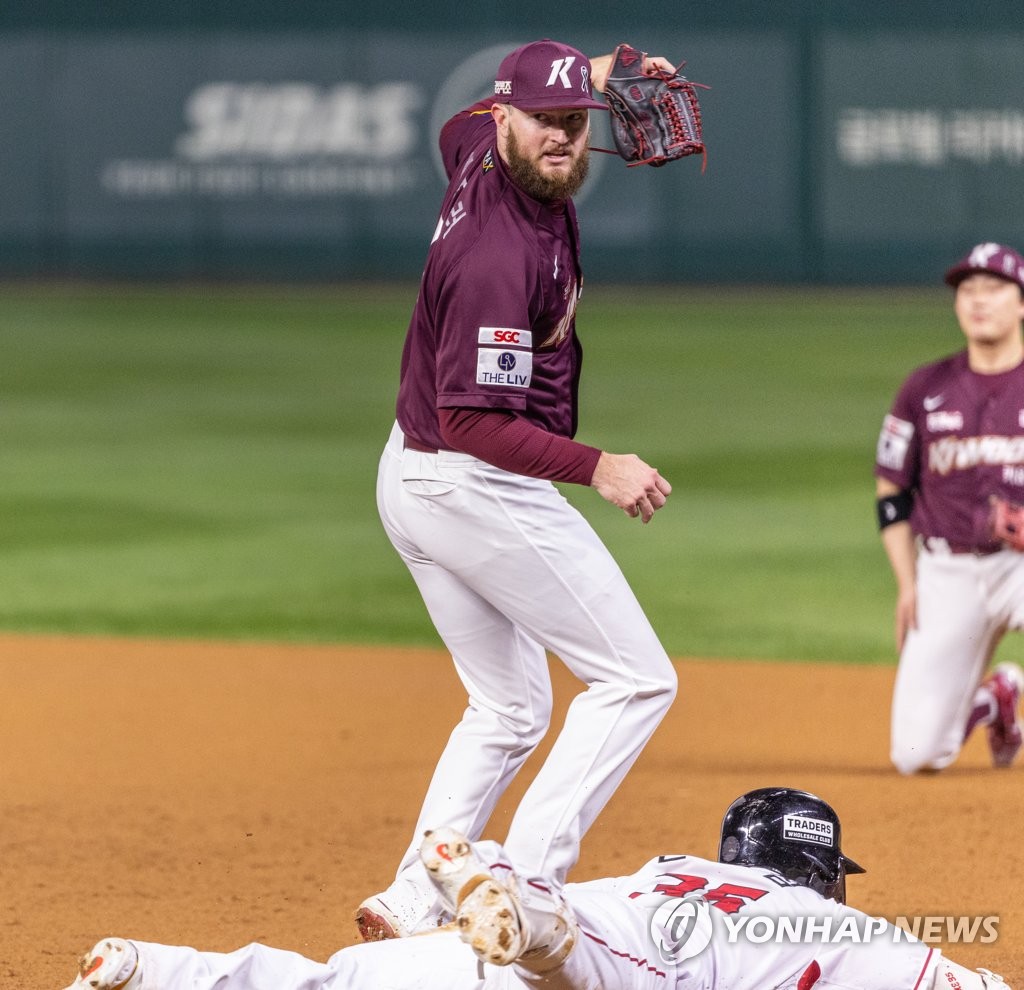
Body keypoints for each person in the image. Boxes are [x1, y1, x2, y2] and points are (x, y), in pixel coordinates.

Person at [364, 39, 681, 938]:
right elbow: (474, 422)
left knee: (510, 706)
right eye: (545, 122)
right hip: (473, 481)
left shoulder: (476, 146)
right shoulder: (495, 255)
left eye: (576, 123)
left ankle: (415, 895)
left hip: (413, 475)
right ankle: (530, 886)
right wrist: (600, 468)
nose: (564, 141)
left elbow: (451, 124)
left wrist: (592, 76)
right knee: (635, 681)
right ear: (505, 118)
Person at [63, 787, 1013, 990]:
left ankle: (146, 968)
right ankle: (522, 911)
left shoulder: (677, 864)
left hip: (527, 946)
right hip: (608, 968)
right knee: (598, 963)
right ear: (816, 874)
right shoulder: (821, 927)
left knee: (333, 984)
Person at [874, 241, 1024, 774]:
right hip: (946, 569)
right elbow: (892, 492)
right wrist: (909, 584)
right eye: (968, 290)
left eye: (994, 288)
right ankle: (994, 699)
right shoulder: (925, 387)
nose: (978, 300)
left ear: (1021, 302)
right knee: (915, 757)